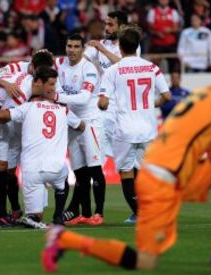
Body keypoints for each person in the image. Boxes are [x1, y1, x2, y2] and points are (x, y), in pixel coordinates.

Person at [41, 66, 211, 272]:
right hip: (166, 180)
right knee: (145, 261)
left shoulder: (201, 96)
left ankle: (64, 239)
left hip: (152, 174)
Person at [0, 66, 85, 228]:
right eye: (52, 84)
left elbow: (0, 115)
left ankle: (33, 219)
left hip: (32, 172)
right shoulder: (63, 110)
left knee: (34, 216)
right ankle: (58, 217)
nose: (54, 88)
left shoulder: (27, 108)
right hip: (56, 169)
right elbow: (81, 126)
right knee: (63, 179)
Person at [97, 26, 170, 224]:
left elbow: (102, 102)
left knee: (127, 172)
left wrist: (103, 105)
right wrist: (149, 104)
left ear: (120, 47)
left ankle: (139, 214)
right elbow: (166, 96)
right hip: (148, 129)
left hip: (125, 130)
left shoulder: (113, 70)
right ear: (137, 46)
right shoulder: (152, 67)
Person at [0, 50, 55, 224]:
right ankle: (15, 209)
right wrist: (3, 85)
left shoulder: (48, 81)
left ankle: (37, 213)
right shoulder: (20, 72)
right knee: (8, 171)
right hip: (13, 127)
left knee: (30, 171)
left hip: (29, 129)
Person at [83, 12, 142, 224]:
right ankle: (93, 210)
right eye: (105, 24)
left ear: (121, 25)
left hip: (124, 110)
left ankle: (140, 208)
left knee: (132, 163)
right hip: (103, 109)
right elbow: (82, 58)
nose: (106, 27)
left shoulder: (131, 45)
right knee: (97, 157)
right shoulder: (99, 44)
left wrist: (103, 50)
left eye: (110, 24)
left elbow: (124, 64)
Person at [54, 34, 106, 226]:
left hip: (90, 121)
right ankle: (84, 213)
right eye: (69, 46)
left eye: (76, 46)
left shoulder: (89, 68)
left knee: (94, 169)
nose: (72, 50)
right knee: (80, 172)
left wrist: (56, 96)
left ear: (82, 49)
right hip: (72, 122)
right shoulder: (59, 64)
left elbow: (84, 98)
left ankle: (99, 212)